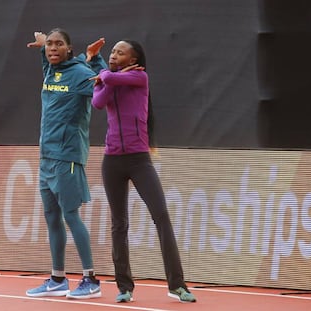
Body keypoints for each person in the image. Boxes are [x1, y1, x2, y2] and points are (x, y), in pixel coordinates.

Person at [91, 40, 197, 303]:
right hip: (112, 161)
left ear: (133, 59)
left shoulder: (140, 77)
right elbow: (97, 103)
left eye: (119, 52)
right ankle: (124, 287)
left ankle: (177, 285)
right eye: (112, 52)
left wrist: (104, 73)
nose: (113, 55)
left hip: (139, 161)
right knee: (119, 224)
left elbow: (107, 78)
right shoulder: (111, 82)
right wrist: (107, 76)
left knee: (161, 216)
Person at [25, 28, 107, 299]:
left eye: (59, 44)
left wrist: (96, 60)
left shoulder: (81, 74)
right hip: (46, 158)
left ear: (70, 49)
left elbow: (105, 85)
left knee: (71, 215)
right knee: (52, 218)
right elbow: (46, 56)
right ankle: (57, 279)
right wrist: (41, 44)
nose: (52, 49)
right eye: (49, 45)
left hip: (68, 157)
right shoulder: (50, 69)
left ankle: (90, 279)